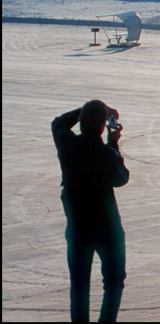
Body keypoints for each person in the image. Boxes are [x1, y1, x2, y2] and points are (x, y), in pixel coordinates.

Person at [52, 101, 129, 322]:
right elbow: (120, 178)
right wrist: (113, 144)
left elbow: (59, 122)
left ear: (82, 122)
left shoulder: (66, 144)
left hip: (77, 228)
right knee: (113, 283)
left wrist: (87, 111)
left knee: (79, 286)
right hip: (107, 228)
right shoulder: (104, 153)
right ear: (104, 126)